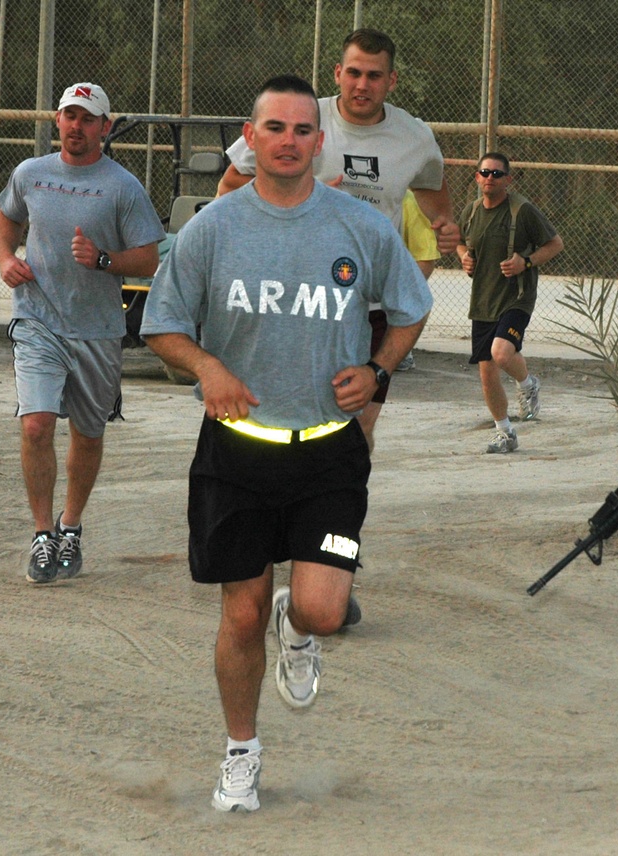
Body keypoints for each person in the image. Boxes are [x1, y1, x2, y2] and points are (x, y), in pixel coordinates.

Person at [140, 75, 432, 813]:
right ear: (252, 135)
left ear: (319, 140)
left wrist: (378, 371)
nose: (291, 141)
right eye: (276, 128)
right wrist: (207, 367)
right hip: (236, 451)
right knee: (238, 614)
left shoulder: (360, 227)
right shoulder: (212, 228)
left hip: (328, 450)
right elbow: (162, 325)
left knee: (325, 610)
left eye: (305, 130)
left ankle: (296, 626)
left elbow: (410, 309)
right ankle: (242, 753)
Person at [217, 28, 458, 448]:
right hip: (301, 292)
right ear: (337, 73)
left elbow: (431, 188)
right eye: (354, 73)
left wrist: (445, 223)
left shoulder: (414, 137)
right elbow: (229, 187)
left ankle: (345, 507)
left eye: (374, 76)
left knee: (359, 423)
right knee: (292, 415)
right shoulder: (300, 119)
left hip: (371, 298)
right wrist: (301, 194)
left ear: (392, 80)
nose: (362, 84)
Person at [0, 82, 165, 584]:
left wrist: (104, 260)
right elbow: (6, 222)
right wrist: (6, 259)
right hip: (37, 319)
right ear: (57, 120)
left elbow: (149, 260)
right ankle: (43, 535)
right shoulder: (30, 174)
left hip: (97, 330)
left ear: (105, 128)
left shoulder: (123, 187)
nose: (77, 126)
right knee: (36, 424)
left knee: (88, 435)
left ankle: (71, 528)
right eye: (70, 115)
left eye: (88, 118)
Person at [456, 152, 564, 454]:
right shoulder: (472, 211)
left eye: (497, 174)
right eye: (485, 173)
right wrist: (464, 256)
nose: (490, 178)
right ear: (477, 177)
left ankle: (528, 383)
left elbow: (555, 244)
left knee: (501, 353)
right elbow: (460, 240)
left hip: (517, 298)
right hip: (483, 300)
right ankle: (505, 433)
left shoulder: (522, 211)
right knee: (487, 371)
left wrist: (526, 262)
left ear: (508, 179)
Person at [396, 188, 441, 370]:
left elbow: (425, 258)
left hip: (387, 287)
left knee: (420, 300)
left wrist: (402, 295)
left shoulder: (408, 200)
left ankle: (400, 349)